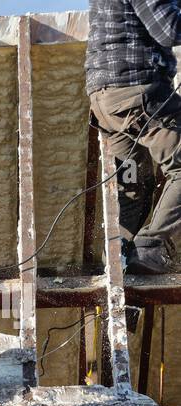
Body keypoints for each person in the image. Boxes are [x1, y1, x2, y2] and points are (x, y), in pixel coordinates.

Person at [86, 0, 181, 274]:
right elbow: (169, 30)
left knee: (135, 186)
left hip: (106, 106)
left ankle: (122, 258)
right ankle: (150, 246)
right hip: (139, 96)